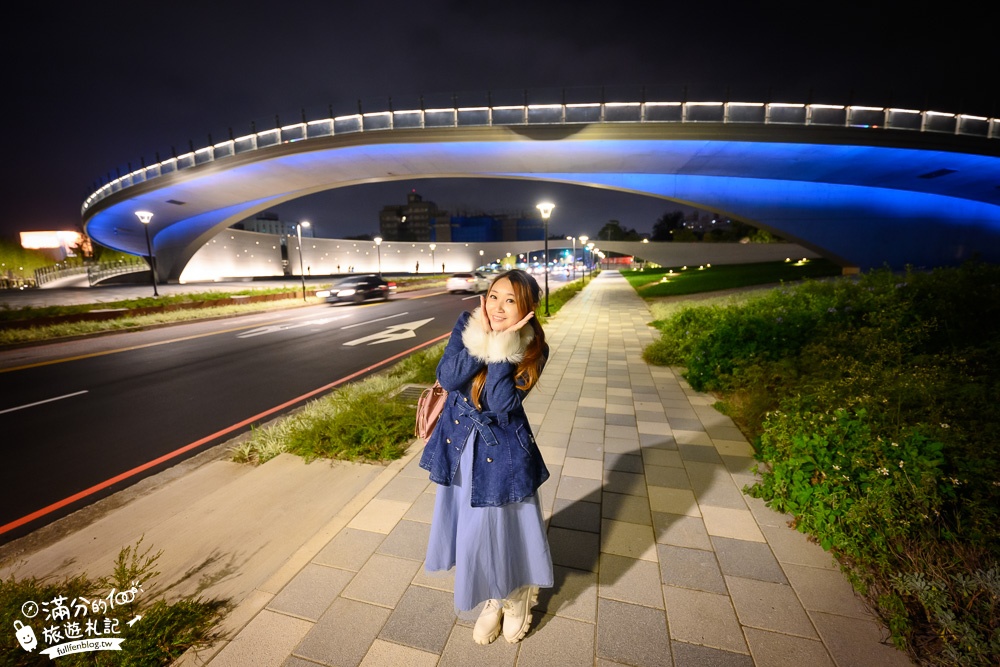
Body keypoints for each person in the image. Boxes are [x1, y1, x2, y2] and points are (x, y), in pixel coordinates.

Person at [421, 268, 552, 645]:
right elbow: (447, 376)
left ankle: (517, 595)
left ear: (527, 308)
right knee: (474, 530)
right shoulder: (468, 324)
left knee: (507, 526)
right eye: (494, 296)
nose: (497, 306)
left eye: (510, 300)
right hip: (459, 448)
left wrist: (501, 347)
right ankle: (494, 596)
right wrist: (483, 340)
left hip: (504, 455)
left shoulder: (533, 347)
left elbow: (499, 403)